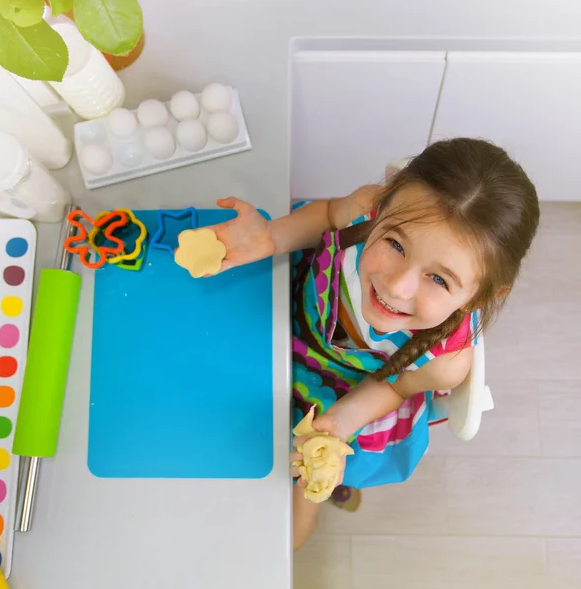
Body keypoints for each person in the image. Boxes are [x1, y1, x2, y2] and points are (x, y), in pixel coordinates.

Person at [207, 138, 540, 550]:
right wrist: (271, 238)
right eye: (395, 245)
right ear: (380, 209)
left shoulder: (447, 360)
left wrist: (341, 423)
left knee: (293, 503)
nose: (396, 287)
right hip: (283, 322)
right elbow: (328, 215)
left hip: (344, 394)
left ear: (480, 296)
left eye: (438, 279)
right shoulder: (365, 207)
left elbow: (396, 386)